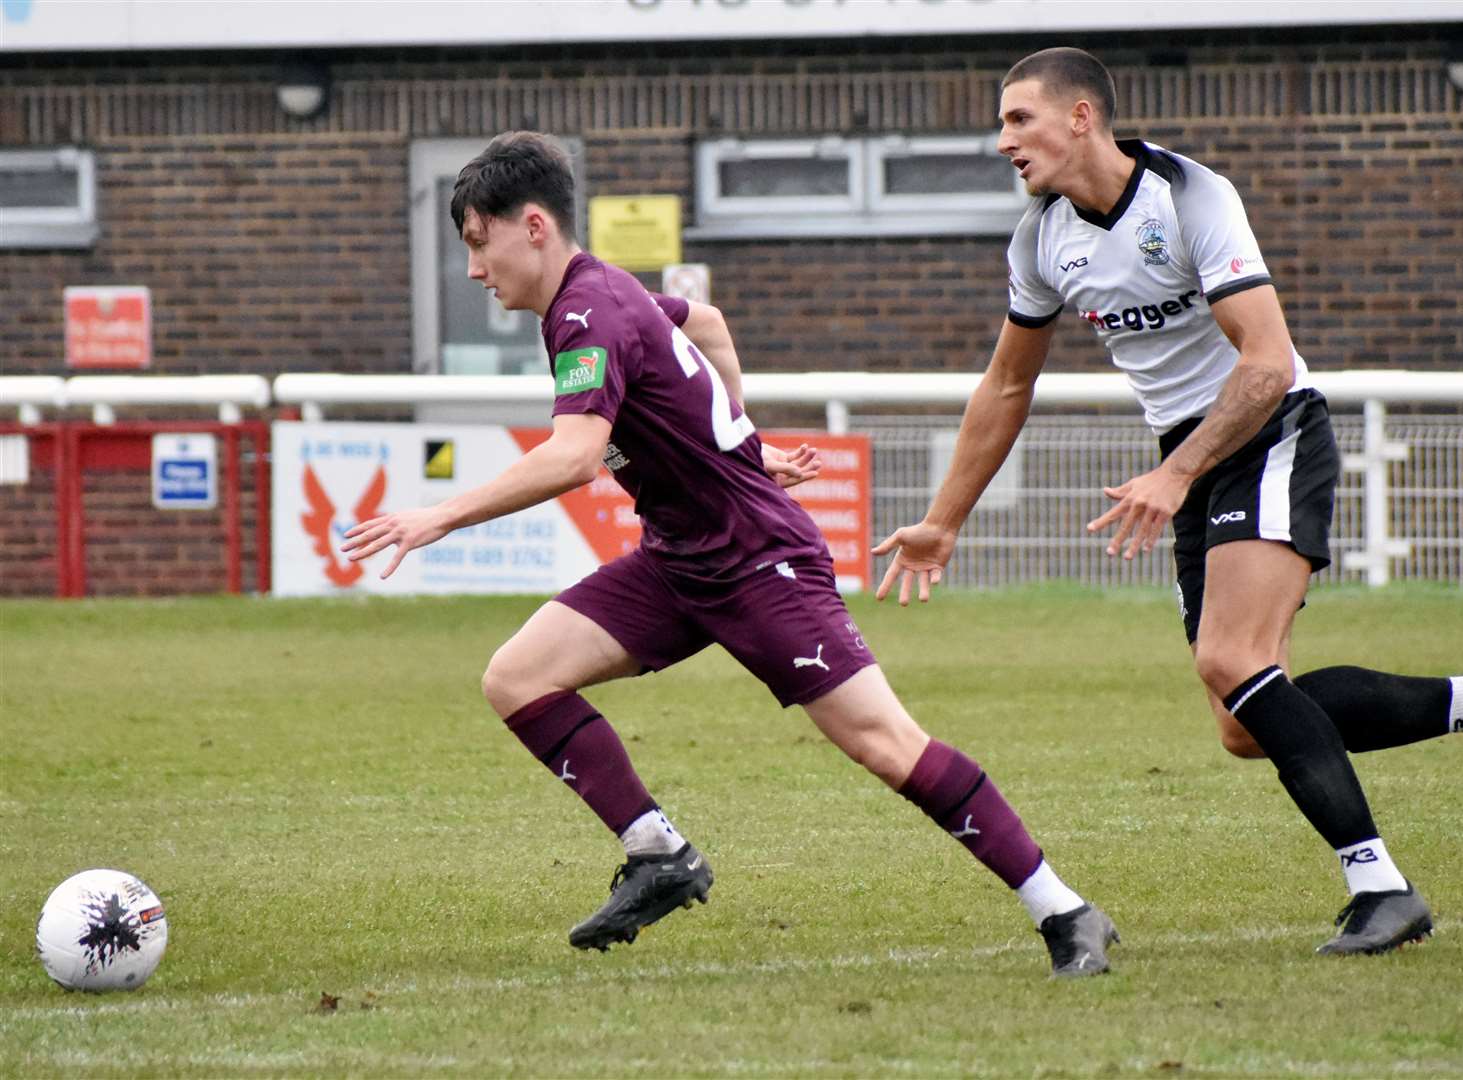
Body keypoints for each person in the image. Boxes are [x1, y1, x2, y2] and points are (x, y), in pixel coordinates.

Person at [341, 131, 1120, 978]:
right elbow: (705, 323)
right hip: (681, 559)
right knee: (517, 676)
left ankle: (1065, 911)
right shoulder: (595, 293)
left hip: (757, 559)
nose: (471, 269)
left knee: (884, 745)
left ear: (531, 225)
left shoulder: (587, 310)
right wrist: (740, 442)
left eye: (475, 241)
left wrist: (442, 515)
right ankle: (658, 854)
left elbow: (572, 454)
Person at [872, 48, 1463, 956]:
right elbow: (1006, 385)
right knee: (1243, 724)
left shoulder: (1189, 195)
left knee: (1228, 657)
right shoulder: (1040, 239)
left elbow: (1262, 360)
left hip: (1270, 429)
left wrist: (1177, 475)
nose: (1003, 139)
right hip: (1192, 455)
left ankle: (1382, 886)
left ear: (1081, 117)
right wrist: (943, 521)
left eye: (1019, 119)